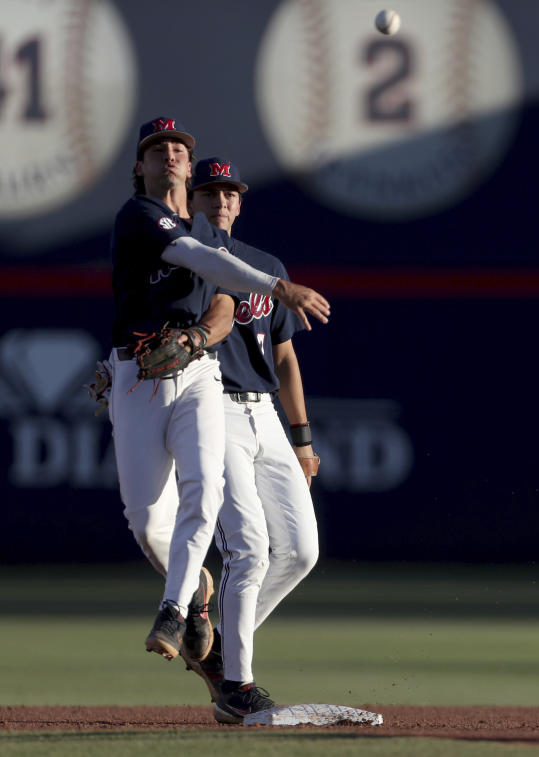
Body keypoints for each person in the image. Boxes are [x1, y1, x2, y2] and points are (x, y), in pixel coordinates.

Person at [109, 117, 331, 667]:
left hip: (220, 388)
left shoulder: (226, 244)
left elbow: (229, 299)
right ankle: (203, 607)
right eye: (156, 149)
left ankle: (196, 627)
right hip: (155, 381)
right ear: (143, 167)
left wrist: (200, 335)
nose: (170, 155)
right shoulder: (142, 217)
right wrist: (277, 286)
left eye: (179, 148)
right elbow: (203, 261)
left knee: (256, 526)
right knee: (152, 521)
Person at [184, 157, 322, 724]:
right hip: (213, 407)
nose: (221, 200)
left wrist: (303, 438)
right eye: (210, 191)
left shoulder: (267, 267)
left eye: (230, 192)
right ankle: (236, 685)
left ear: (241, 203)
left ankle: (214, 649)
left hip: (263, 410)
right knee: (249, 548)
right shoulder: (184, 262)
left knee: (301, 551)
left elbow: (286, 359)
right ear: (192, 200)